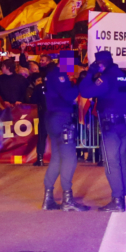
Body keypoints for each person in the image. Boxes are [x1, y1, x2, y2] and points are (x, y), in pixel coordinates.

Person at [79, 50, 126, 212]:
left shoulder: (107, 78)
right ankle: (121, 194)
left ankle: (117, 200)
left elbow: (86, 91)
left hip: (111, 123)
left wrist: (90, 74)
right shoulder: (123, 76)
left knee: (111, 162)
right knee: (121, 158)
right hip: (125, 121)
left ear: (100, 63)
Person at [41, 61, 90, 211]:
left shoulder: (50, 76)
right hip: (61, 118)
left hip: (52, 118)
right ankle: (67, 199)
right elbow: (68, 94)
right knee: (69, 158)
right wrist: (79, 83)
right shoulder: (59, 75)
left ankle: (48, 198)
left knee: (56, 158)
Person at [30, 72, 48, 166]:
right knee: (58, 137)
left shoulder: (38, 88)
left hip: (44, 113)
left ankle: (40, 159)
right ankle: (61, 159)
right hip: (57, 113)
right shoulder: (55, 86)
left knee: (42, 136)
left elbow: (33, 101)